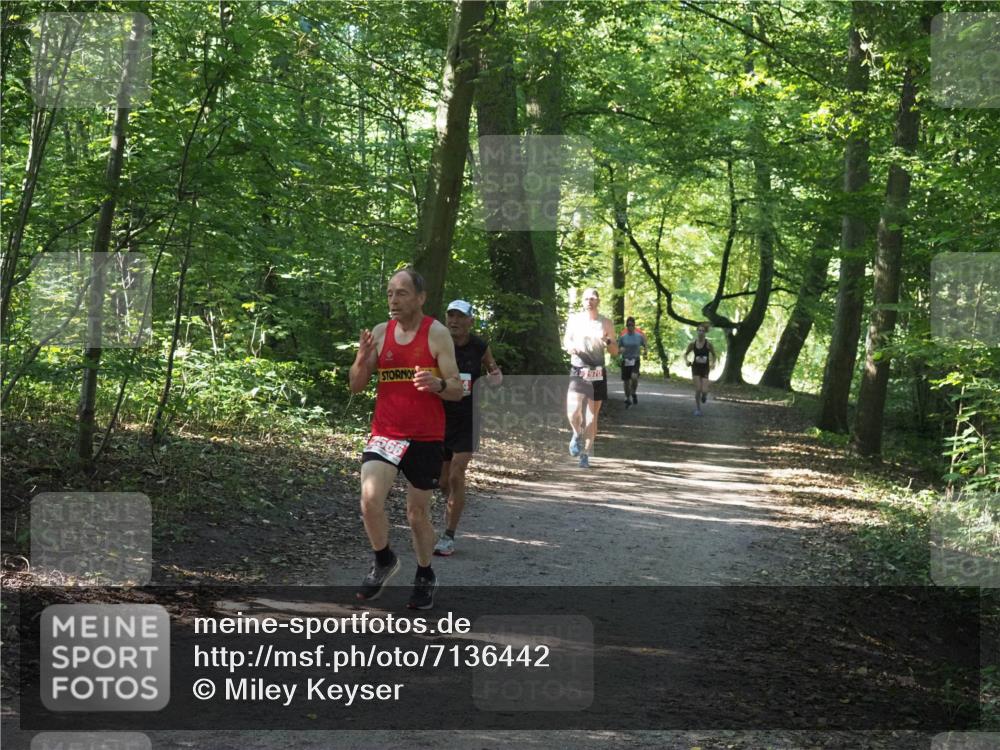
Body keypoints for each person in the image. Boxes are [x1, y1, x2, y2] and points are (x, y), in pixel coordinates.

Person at [349, 268, 463, 610]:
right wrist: (359, 360)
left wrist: (439, 384)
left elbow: (457, 389)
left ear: (420, 298)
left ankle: (425, 573)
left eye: (401, 293)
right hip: (386, 432)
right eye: (389, 293)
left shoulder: (437, 334)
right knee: (369, 500)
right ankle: (383, 559)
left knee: (417, 514)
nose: (393, 300)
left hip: (426, 437)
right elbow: (356, 385)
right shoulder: (381, 334)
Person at [433, 300, 502, 557]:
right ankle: (449, 507)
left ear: (470, 321)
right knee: (442, 480)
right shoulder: (439, 343)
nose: (454, 321)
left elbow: (493, 371)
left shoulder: (480, 346)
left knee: (456, 475)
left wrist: (496, 377)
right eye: (450, 316)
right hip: (440, 419)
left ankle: (448, 535)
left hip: (467, 419)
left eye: (460, 317)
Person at [563, 287, 618, 468]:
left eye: (593, 298)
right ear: (582, 301)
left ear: (598, 301)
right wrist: (570, 347)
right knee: (573, 410)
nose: (589, 301)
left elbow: (614, 350)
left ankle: (585, 453)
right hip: (578, 368)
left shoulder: (606, 323)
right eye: (586, 298)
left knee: (592, 416)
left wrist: (608, 342)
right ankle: (576, 434)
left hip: (597, 370)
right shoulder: (575, 320)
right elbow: (566, 340)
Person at [684, 322, 717, 416]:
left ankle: (704, 396)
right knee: (698, 389)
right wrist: (687, 361)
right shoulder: (692, 344)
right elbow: (685, 354)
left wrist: (713, 363)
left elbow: (714, 355)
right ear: (697, 331)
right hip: (695, 368)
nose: (701, 332)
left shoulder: (708, 344)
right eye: (699, 330)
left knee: (704, 390)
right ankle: (698, 409)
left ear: (705, 333)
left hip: (705, 368)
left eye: (703, 331)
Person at [618, 316, 648, 407]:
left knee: (634, 377)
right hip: (625, 360)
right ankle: (627, 398)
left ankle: (633, 392)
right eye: (628, 325)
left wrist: (645, 352)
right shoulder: (623, 337)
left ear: (634, 325)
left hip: (635, 360)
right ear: (626, 326)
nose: (630, 327)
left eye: (631, 325)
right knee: (626, 381)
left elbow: (645, 345)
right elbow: (618, 348)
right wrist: (620, 350)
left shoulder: (639, 336)